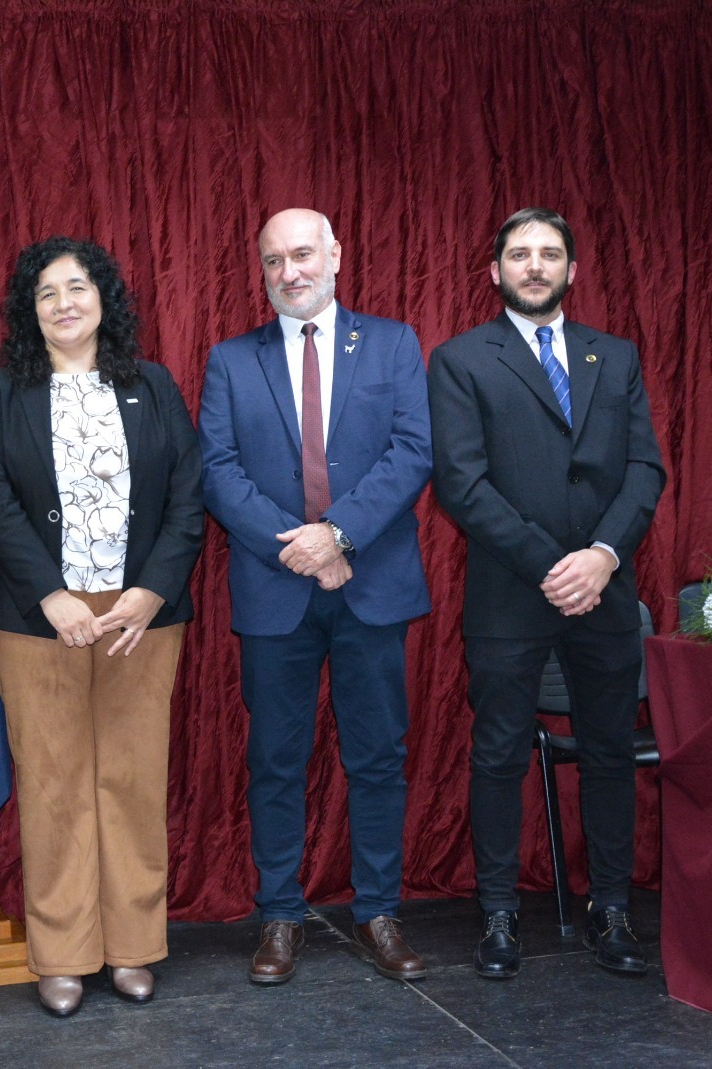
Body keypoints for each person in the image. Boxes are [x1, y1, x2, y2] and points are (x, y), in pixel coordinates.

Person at [198, 208, 433, 987]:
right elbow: (218, 471)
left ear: (335, 254)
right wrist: (298, 548)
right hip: (276, 588)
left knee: (378, 755)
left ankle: (379, 910)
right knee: (275, 758)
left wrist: (339, 536)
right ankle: (280, 913)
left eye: (302, 254)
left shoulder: (393, 344)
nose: (289, 271)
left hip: (372, 582)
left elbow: (412, 452)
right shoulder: (231, 360)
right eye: (273, 260)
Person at [428, 208, 665, 979]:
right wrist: (554, 565)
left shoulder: (615, 355)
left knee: (608, 754)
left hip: (605, 590)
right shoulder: (461, 359)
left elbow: (645, 469)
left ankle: (612, 907)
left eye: (550, 253)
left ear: (572, 270)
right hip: (510, 594)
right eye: (520, 254)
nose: (535, 265)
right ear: (495, 272)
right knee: (499, 753)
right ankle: (498, 912)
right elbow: (461, 483)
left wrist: (600, 557)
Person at [0, 237, 203, 1017]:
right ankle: (64, 954)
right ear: (28, 312)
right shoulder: (4, 390)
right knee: (54, 783)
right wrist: (51, 593)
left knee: (131, 778)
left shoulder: (152, 384)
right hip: (38, 619)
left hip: (141, 618)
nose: (64, 303)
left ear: (104, 299)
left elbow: (188, 495)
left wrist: (152, 591)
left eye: (77, 287)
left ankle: (133, 945)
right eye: (46, 293)